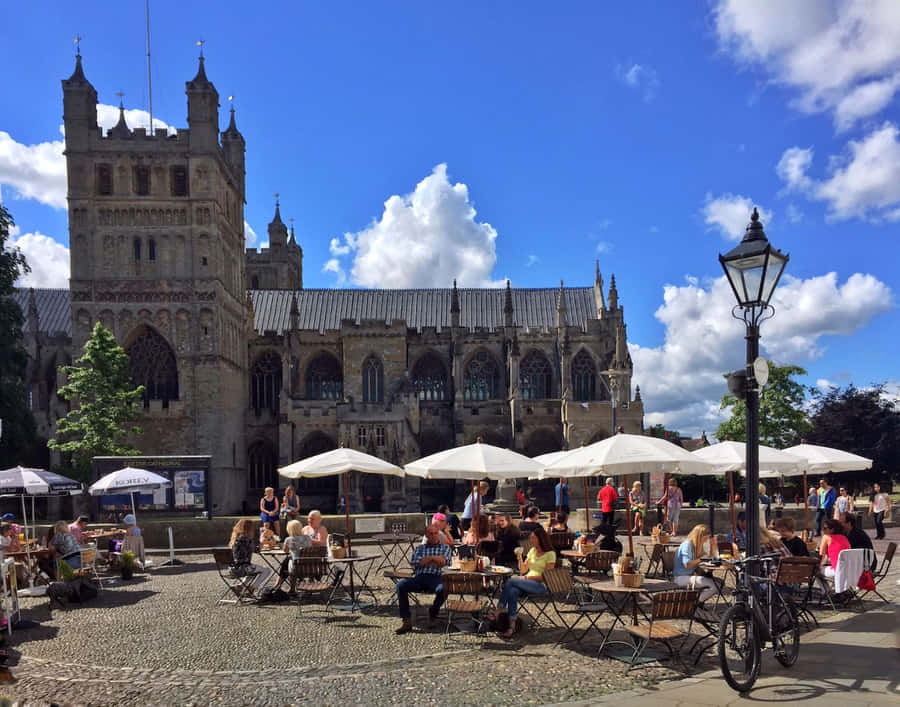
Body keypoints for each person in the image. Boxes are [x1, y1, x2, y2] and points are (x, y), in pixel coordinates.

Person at [489, 525, 556, 638]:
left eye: (533, 538)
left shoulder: (550, 554)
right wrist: (520, 557)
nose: (531, 540)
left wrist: (525, 578)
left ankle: (498, 610)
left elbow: (546, 577)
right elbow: (523, 570)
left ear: (541, 539)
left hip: (541, 585)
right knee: (512, 591)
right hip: (528, 582)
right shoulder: (532, 551)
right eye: (531, 538)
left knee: (510, 581)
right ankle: (512, 626)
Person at [395, 524, 453, 634]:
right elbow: (417, 562)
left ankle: (433, 613)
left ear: (438, 534)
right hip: (420, 577)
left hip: (437, 577)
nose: (433, 536)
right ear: (426, 535)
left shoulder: (445, 548)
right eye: (431, 533)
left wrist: (428, 560)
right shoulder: (419, 548)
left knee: (444, 589)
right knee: (400, 585)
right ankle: (406, 620)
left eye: (435, 533)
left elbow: (443, 562)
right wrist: (434, 558)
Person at [673, 524, 718, 602]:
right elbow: (687, 564)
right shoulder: (687, 545)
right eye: (705, 538)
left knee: (719, 583)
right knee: (715, 585)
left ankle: (696, 601)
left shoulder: (697, 546)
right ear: (699, 537)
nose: (705, 541)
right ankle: (694, 603)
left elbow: (707, 558)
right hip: (681, 577)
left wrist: (712, 547)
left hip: (690, 576)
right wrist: (701, 559)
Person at [228, 518, 271, 591]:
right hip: (243, 568)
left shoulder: (235, 539)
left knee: (253, 570)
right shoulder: (246, 539)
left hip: (233, 569)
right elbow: (257, 550)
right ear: (249, 529)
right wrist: (262, 541)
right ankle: (252, 588)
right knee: (267, 570)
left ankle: (240, 586)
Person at [272, 519, 312, 591]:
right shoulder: (308, 537)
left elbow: (285, 551)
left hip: (296, 567)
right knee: (287, 561)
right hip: (308, 566)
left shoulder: (288, 539)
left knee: (287, 562)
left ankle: (288, 587)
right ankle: (284, 585)